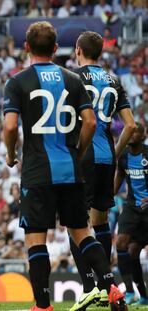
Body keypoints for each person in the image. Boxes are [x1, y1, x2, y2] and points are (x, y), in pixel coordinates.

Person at [2, 21, 126, 311]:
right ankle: (113, 290)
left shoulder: (17, 81)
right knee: (83, 233)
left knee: (36, 239)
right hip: (71, 168)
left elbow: (10, 127)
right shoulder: (73, 79)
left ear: (27, 47)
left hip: (37, 171)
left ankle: (43, 306)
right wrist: (78, 150)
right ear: (57, 48)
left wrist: (11, 153)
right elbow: (91, 122)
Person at [69, 31, 136, 311]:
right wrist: (115, 153)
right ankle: (107, 288)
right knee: (100, 222)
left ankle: (91, 287)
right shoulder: (114, 80)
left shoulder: (72, 77)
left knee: (75, 223)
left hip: (82, 155)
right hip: (106, 156)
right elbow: (130, 126)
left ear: (78, 50)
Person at [114, 123, 148, 305]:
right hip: (132, 207)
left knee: (134, 251)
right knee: (122, 244)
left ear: (143, 135)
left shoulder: (147, 154)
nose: (132, 134)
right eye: (130, 131)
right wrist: (108, 195)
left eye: (136, 131)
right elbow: (119, 174)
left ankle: (143, 295)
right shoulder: (124, 156)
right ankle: (130, 292)